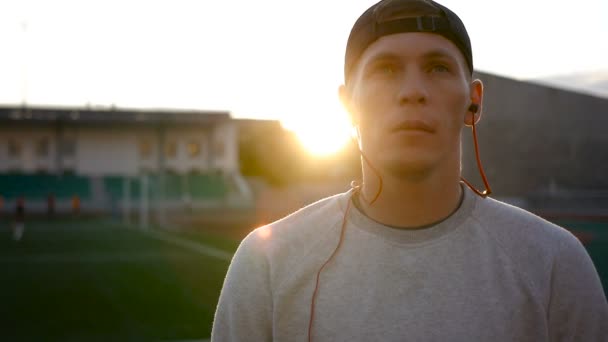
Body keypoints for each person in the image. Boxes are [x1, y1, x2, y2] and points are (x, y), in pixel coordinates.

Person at [212, 0, 608, 341]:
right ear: (347, 103)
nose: (412, 90)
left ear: (474, 101)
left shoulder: (554, 263)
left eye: (437, 68)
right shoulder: (266, 265)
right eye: (385, 69)